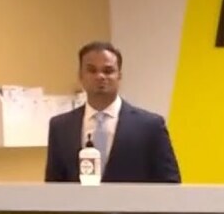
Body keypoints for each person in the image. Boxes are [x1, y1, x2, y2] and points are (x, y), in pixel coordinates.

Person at [45, 41, 181, 183]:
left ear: (119, 76)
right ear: (80, 76)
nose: (100, 76)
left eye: (108, 71)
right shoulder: (61, 127)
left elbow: (170, 184)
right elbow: (53, 185)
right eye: (92, 70)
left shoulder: (150, 127)